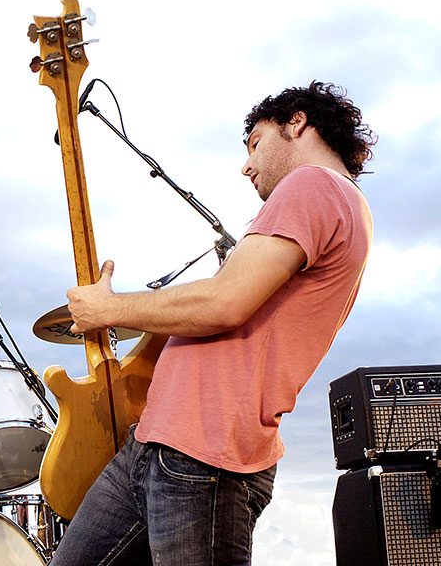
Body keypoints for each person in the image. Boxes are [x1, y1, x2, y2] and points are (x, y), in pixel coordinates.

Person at [51, 81, 375, 565]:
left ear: (297, 123)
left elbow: (224, 304)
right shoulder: (338, 204)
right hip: (159, 445)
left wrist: (109, 309)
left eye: (255, 144)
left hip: (206, 458)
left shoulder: (315, 185)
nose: (247, 165)